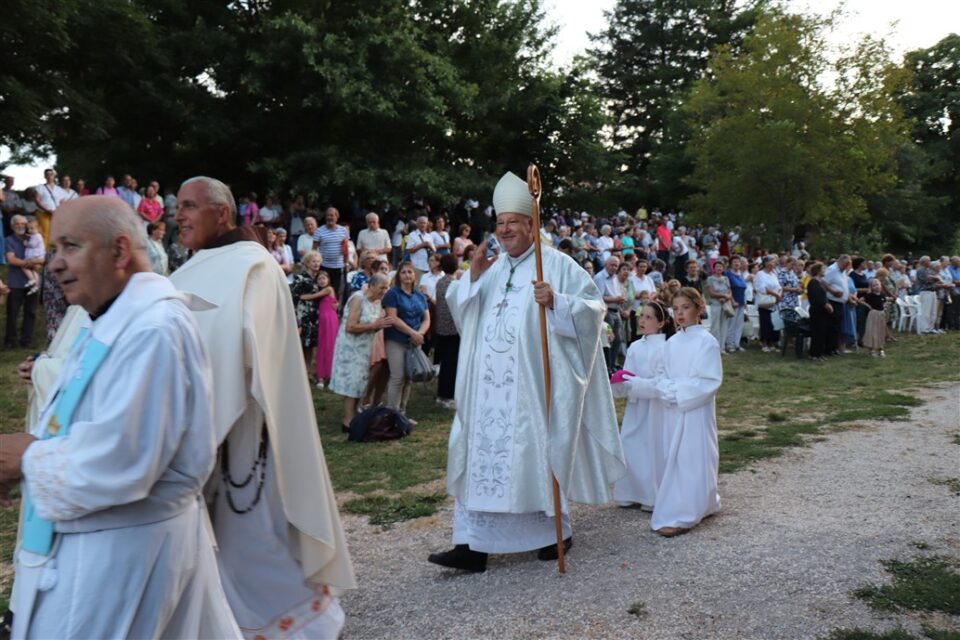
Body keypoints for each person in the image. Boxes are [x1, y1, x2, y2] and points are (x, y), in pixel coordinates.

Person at [1, 196, 240, 639]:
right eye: (53, 249)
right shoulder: (108, 320)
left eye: (70, 246)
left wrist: (26, 459)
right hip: (109, 543)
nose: (55, 264)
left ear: (120, 251)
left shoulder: (154, 330)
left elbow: (126, 457)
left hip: (122, 553)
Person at [170, 176, 355, 638]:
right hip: (199, 426)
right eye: (178, 207)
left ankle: (303, 628)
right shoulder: (183, 272)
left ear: (223, 213)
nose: (179, 215)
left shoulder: (254, 264)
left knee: (252, 543)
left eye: (190, 206)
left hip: (245, 433)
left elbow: (254, 346)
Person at [427, 171, 626, 573]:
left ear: (531, 225)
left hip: (532, 391)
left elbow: (593, 311)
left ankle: (551, 533)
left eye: (512, 223)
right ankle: (472, 545)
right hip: (486, 393)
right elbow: (463, 314)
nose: (504, 230)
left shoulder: (558, 264)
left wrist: (557, 302)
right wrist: (475, 275)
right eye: (500, 224)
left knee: (531, 452)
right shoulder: (493, 268)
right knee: (478, 451)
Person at [651, 286, 722, 537]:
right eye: (676, 309)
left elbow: (709, 381)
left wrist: (679, 393)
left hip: (694, 408)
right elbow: (663, 373)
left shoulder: (707, 342)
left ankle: (691, 509)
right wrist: (666, 390)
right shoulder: (671, 342)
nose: (680, 314)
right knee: (675, 455)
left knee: (694, 454)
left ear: (699, 309)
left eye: (686, 308)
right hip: (674, 408)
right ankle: (686, 501)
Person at [611, 300, 674, 510]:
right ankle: (630, 492)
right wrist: (620, 383)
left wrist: (634, 383)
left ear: (661, 322)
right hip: (635, 406)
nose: (642, 321)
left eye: (648, 317)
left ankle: (651, 495)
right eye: (641, 316)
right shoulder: (635, 346)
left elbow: (662, 381)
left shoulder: (667, 348)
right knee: (630, 444)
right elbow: (628, 374)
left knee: (650, 447)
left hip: (655, 408)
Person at [329, 274, 392, 430]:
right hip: (350, 348)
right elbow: (350, 326)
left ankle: (355, 415)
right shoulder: (358, 299)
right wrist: (373, 326)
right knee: (352, 383)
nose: (384, 291)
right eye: (382, 287)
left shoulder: (377, 302)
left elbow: (373, 325)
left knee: (360, 382)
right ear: (371, 285)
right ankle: (348, 420)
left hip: (364, 348)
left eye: (386, 287)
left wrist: (380, 325)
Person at [382, 261, 430, 417]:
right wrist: (412, 333)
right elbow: (393, 318)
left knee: (409, 377)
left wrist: (420, 334)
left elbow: (426, 319)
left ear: (415, 275)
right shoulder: (392, 294)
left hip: (415, 341)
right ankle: (392, 414)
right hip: (396, 340)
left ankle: (402, 413)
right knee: (397, 377)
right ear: (398, 276)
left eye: (410, 272)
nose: (407, 275)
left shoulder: (419, 296)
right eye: (403, 272)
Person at [4, 215, 44, 349]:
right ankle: (10, 341)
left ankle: (26, 340)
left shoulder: (34, 237)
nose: (21, 226)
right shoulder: (9, 240)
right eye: (17, 224)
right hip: (16, 282)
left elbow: (43, 258)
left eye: (23, 224)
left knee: (30, 312)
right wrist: (30, 263)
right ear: (12, 226)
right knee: (13, 313)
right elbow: (11, 259)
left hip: (32, 282)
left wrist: (36, 262)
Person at [290, 251, 324, 382]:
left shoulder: (320, 278)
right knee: (301, 344)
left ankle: (308, 372)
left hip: (314, 315)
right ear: (307, 263)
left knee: (310, 345)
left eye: (318, 261)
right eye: (313, 261)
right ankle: (299, 373)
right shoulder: (300, 278)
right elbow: (294, 296)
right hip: (303, 315)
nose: (316, 264)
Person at [433, 254, 461, 410]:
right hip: (453, 329)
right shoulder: (454, 284)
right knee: (452, 364)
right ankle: (447, 395)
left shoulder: (440, 283)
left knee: (445, 364)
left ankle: (442, 394)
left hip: (441, 328)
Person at [313, 207, 349, 297]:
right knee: (323, 290)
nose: (330, 218)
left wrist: (346, 263)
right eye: (328, 215)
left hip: (339, 266)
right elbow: (314, 250)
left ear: (337, 217)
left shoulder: (343, 230)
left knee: (337, 292)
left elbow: (346, 248)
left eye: (332, 215)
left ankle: (334, 310)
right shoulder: (319, 231)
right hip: (324, 266)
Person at [314, 270, 339, 389]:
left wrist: (303, 296)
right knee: (322, 346)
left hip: (330, 320)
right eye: (319, 279)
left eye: (324, 278)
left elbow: (312, 296)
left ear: (328, 280)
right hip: (323, 321)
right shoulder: (320, 290)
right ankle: (321, 375)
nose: (322, 280)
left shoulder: (329, 289)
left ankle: (330, 375)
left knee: (331, 345)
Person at [754, 256, 783, 352]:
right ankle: (764, 343)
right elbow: (763, 288)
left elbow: (779, 286)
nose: (774, 264)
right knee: (765, 322)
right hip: (765, 301)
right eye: (773, 262)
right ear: (767, 263)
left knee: (773, 323)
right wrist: (776, 295)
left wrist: (779, 294)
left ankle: (772, 342)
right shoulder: (760, 274)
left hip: (775, 301)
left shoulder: (774, 274)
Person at [806, 262, 832, 361]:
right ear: (818, 271)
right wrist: (826, 305)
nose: (824, 271)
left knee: (822, 332)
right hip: (817, 311)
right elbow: (817, 297)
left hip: (822, 311)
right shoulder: (813, 282)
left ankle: (819, 353)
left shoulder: (820, 282)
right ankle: (814, 354)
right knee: (817, 332)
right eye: (823, 269)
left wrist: (828, 304)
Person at [705, 259, 732, 351]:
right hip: (715, 304)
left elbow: (729, 290)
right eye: (717, 267)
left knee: (724, 325)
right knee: (715, 326)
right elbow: (711, 293)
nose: (719, 268)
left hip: (725, 304)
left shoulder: (726, 279)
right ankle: (714, 347)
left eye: (720, 267)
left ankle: (722, 348)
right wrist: (722, 295)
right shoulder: (710, 279)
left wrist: (727, 296)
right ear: (714, 269)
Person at [724, 256, 747, 352]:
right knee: (731, 324)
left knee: (739, 324)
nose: (737, 263)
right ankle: (729, 344)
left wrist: (745, 301)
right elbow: (728, 288)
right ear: (731, 263)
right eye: (734, 262)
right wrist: (732, 301)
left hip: (741, 302)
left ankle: (737, 343)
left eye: (738, 262)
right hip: (733, 302)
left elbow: (743, 288)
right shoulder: (728, 274)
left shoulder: (741, 274)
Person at [859, 279, 888, 357]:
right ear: (871, 287)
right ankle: (872, 349)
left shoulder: (882, 295)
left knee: (881, 331)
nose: (876, 286)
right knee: (872, 331)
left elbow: (885, 301)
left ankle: (881, 348)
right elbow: (861, 300)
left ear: (880, 285)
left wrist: (884, 306)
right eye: (874, 285)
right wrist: (868, 306)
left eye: (878, 284)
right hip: (873, 314)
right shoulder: (870, 295)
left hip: (881, 314)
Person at [20, 219, 46, 295]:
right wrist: (29, 236)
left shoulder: (37, 236)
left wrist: (26, 243)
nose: (30, 230)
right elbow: (32, 236)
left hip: (35, 256)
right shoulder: (36, 235)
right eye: (28, 229)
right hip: (34, 256)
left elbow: (32, 244)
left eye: (32, 228)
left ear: (38, 229)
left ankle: (32, 280)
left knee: (24, 267)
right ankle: (36, 286)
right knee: (34, 270)